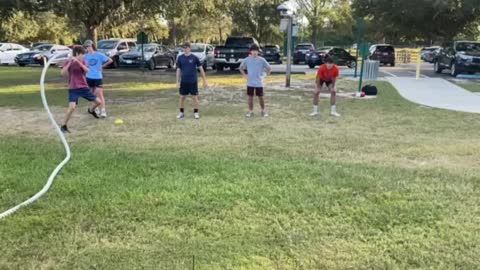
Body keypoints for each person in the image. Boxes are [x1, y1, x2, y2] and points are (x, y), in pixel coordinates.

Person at [60, 46, 102, 133]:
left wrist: (78, 62)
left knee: (99, 102)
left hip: (83, 87)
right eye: (83, 54)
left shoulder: (83, 61)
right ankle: (63, 126)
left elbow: (87, 71)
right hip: (73, 88)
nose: (84, 56)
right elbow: (62, 73)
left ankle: (91, 110)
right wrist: (69, 62)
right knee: (72, 107)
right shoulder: (69, 62)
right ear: (77, 54)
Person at [176, 42, 208, 119]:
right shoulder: (180, 58)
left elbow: (201, 68)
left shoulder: (194, 58)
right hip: (184, 81)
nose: (185, 49)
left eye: (187, 48)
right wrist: (177, 81)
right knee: (182, 97)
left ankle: (196, 113)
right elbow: (178, 70)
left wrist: (204, 80)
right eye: (184, 48)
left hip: (193, 81)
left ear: (190, 48)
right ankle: (181, 112)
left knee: (195, 97)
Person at [239, 44, 272, 117]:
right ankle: (250, 111)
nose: (254, 52)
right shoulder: (247, 59)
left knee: (261, 97)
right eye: (253, 51)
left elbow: (269, 68)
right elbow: (241, 68)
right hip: (250, 82)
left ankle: (263, 111)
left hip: (259, 82)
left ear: (258, 52)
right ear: (250, 51)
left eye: (256, 51)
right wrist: (245, 75)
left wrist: (265, 76)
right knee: (250, 97)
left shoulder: (262, 60)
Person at [83, 40, 113, 118]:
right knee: (92, 95)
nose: (88, 48)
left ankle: (103, 111)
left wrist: (102, 66)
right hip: (89, 77)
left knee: (99, 94)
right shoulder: (85, 56)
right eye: (86, 47)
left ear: (92, 46)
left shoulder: (99, 55)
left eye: (89, 46)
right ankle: (95, 108)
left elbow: (110, 60)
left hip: (97, 77)